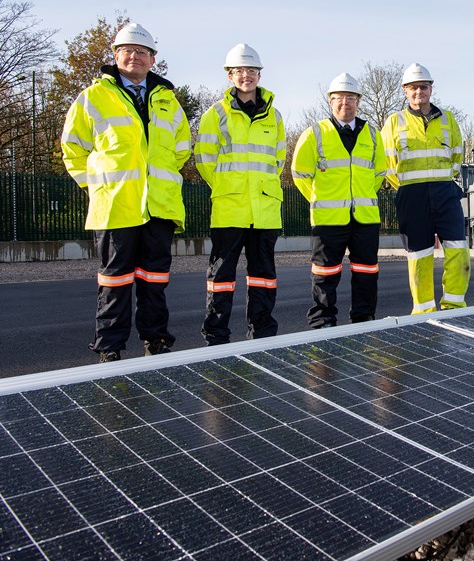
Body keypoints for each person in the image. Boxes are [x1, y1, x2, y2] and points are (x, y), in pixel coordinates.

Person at [60, 23, 191, 362]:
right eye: (127, 51)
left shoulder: (168, 102)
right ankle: (110, 346)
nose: (135, 56)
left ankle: (156, 340)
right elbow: (73, 148)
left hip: (158, 206)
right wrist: (94, 186)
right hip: (115, 205)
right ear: (115, 56)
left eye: (142, 52)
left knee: (155, 280)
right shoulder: (94, 97)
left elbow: (181, 150)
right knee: (115, 281)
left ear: (153, 59)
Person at [195, 44, 286, 345]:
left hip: (264, 209)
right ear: (230, 75)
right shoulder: (216, 114)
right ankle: (216, 334)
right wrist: (227, 187)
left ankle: (262, 333)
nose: (246, 76)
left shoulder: (275, 116)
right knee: (221, 276)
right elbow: (204, 159)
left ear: (259, 75)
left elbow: (278, 160)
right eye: (240, 71)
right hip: (230, 208)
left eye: (251, 71)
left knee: (263, 275)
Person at [291, 73, 387, 328]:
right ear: (330, 102)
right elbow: (299, 174)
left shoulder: (374, 135)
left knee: (366, 272)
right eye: (339, 98)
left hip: (365, 218)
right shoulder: (314, 134)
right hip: (328, 219)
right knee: (325, 274)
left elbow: (380, 174)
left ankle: (363, 320)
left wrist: (361, 196)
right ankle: (322, 323)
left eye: (350, 97)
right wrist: (320, 198)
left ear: (358, 101)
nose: (345, 102)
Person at [380, 63, 470, 314]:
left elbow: (456, 157)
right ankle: (423, 310)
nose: (418, 91)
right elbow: (388, 164)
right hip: (412, 194)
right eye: (413, 88)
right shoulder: (393, 122)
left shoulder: (448, 119)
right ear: (404, 91)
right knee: (419, 254)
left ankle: (454, 304)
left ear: (431, 89)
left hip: (445, 192)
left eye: (423, 87)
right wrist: (409, 187)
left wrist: (442, 182)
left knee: (458, 249)